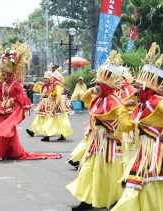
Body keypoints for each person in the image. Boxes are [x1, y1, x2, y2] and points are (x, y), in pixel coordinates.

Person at [111, 43, 163, 211]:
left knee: (148, 186)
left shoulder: (156, 100)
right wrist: (123, 107)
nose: (137, 90)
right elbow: (127, 127)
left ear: (148, 88)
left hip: (156, 148)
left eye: (140, 87)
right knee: (140, 186)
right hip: (145, 150)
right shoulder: (142, 104)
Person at [66, 51, 134, 210]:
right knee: (88, 170)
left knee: (105, 173)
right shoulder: (99, 99)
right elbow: (85, 101)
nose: (96, 86)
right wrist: (91, 91)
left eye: (99, 84)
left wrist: (115, 135)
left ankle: (110, 199)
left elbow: (126, 123)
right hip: (95, 142)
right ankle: (87, 200)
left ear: (106, 86)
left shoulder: (114, 101)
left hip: (107, 143)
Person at [0, 43, 62, 160]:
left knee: (4, 130)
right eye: (2, 73)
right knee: (4, 132)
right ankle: (7, 152)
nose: (2, 75)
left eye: (4, 73)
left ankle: (2, 153)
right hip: (2, 112)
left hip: (12, 112)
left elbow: (23, 99)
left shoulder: (16, 85)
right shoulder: (3, 84)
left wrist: (20, 108)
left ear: (10, 73)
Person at [26, 67, 73, 142]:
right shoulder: (52, 85)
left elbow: (58, 96)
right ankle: (49, 135)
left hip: (57, 106)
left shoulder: (57, 85)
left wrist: (55, 105)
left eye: (52, 77)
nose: (51, 79)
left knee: (57, 120)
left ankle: (52, 135)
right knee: (53, 120)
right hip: (52, 104)